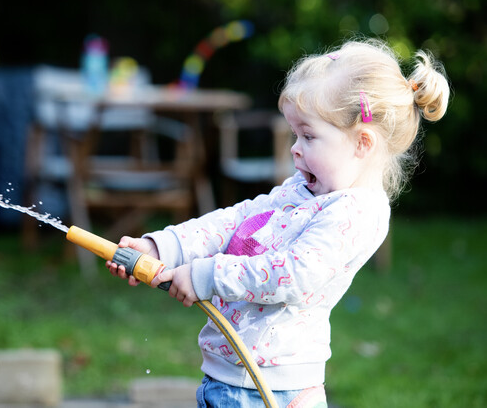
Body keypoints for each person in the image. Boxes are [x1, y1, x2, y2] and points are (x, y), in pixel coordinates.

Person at [106, 38, 450, 407]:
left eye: (309, 136)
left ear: (362, 143)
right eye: (294, 134)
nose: (294, 148)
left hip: (265, 391)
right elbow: (236, 220)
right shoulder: (303, 190)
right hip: (233, 380)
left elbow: (293, 273)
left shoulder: (356, 212)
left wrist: (207, 276)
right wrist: (164, 246)